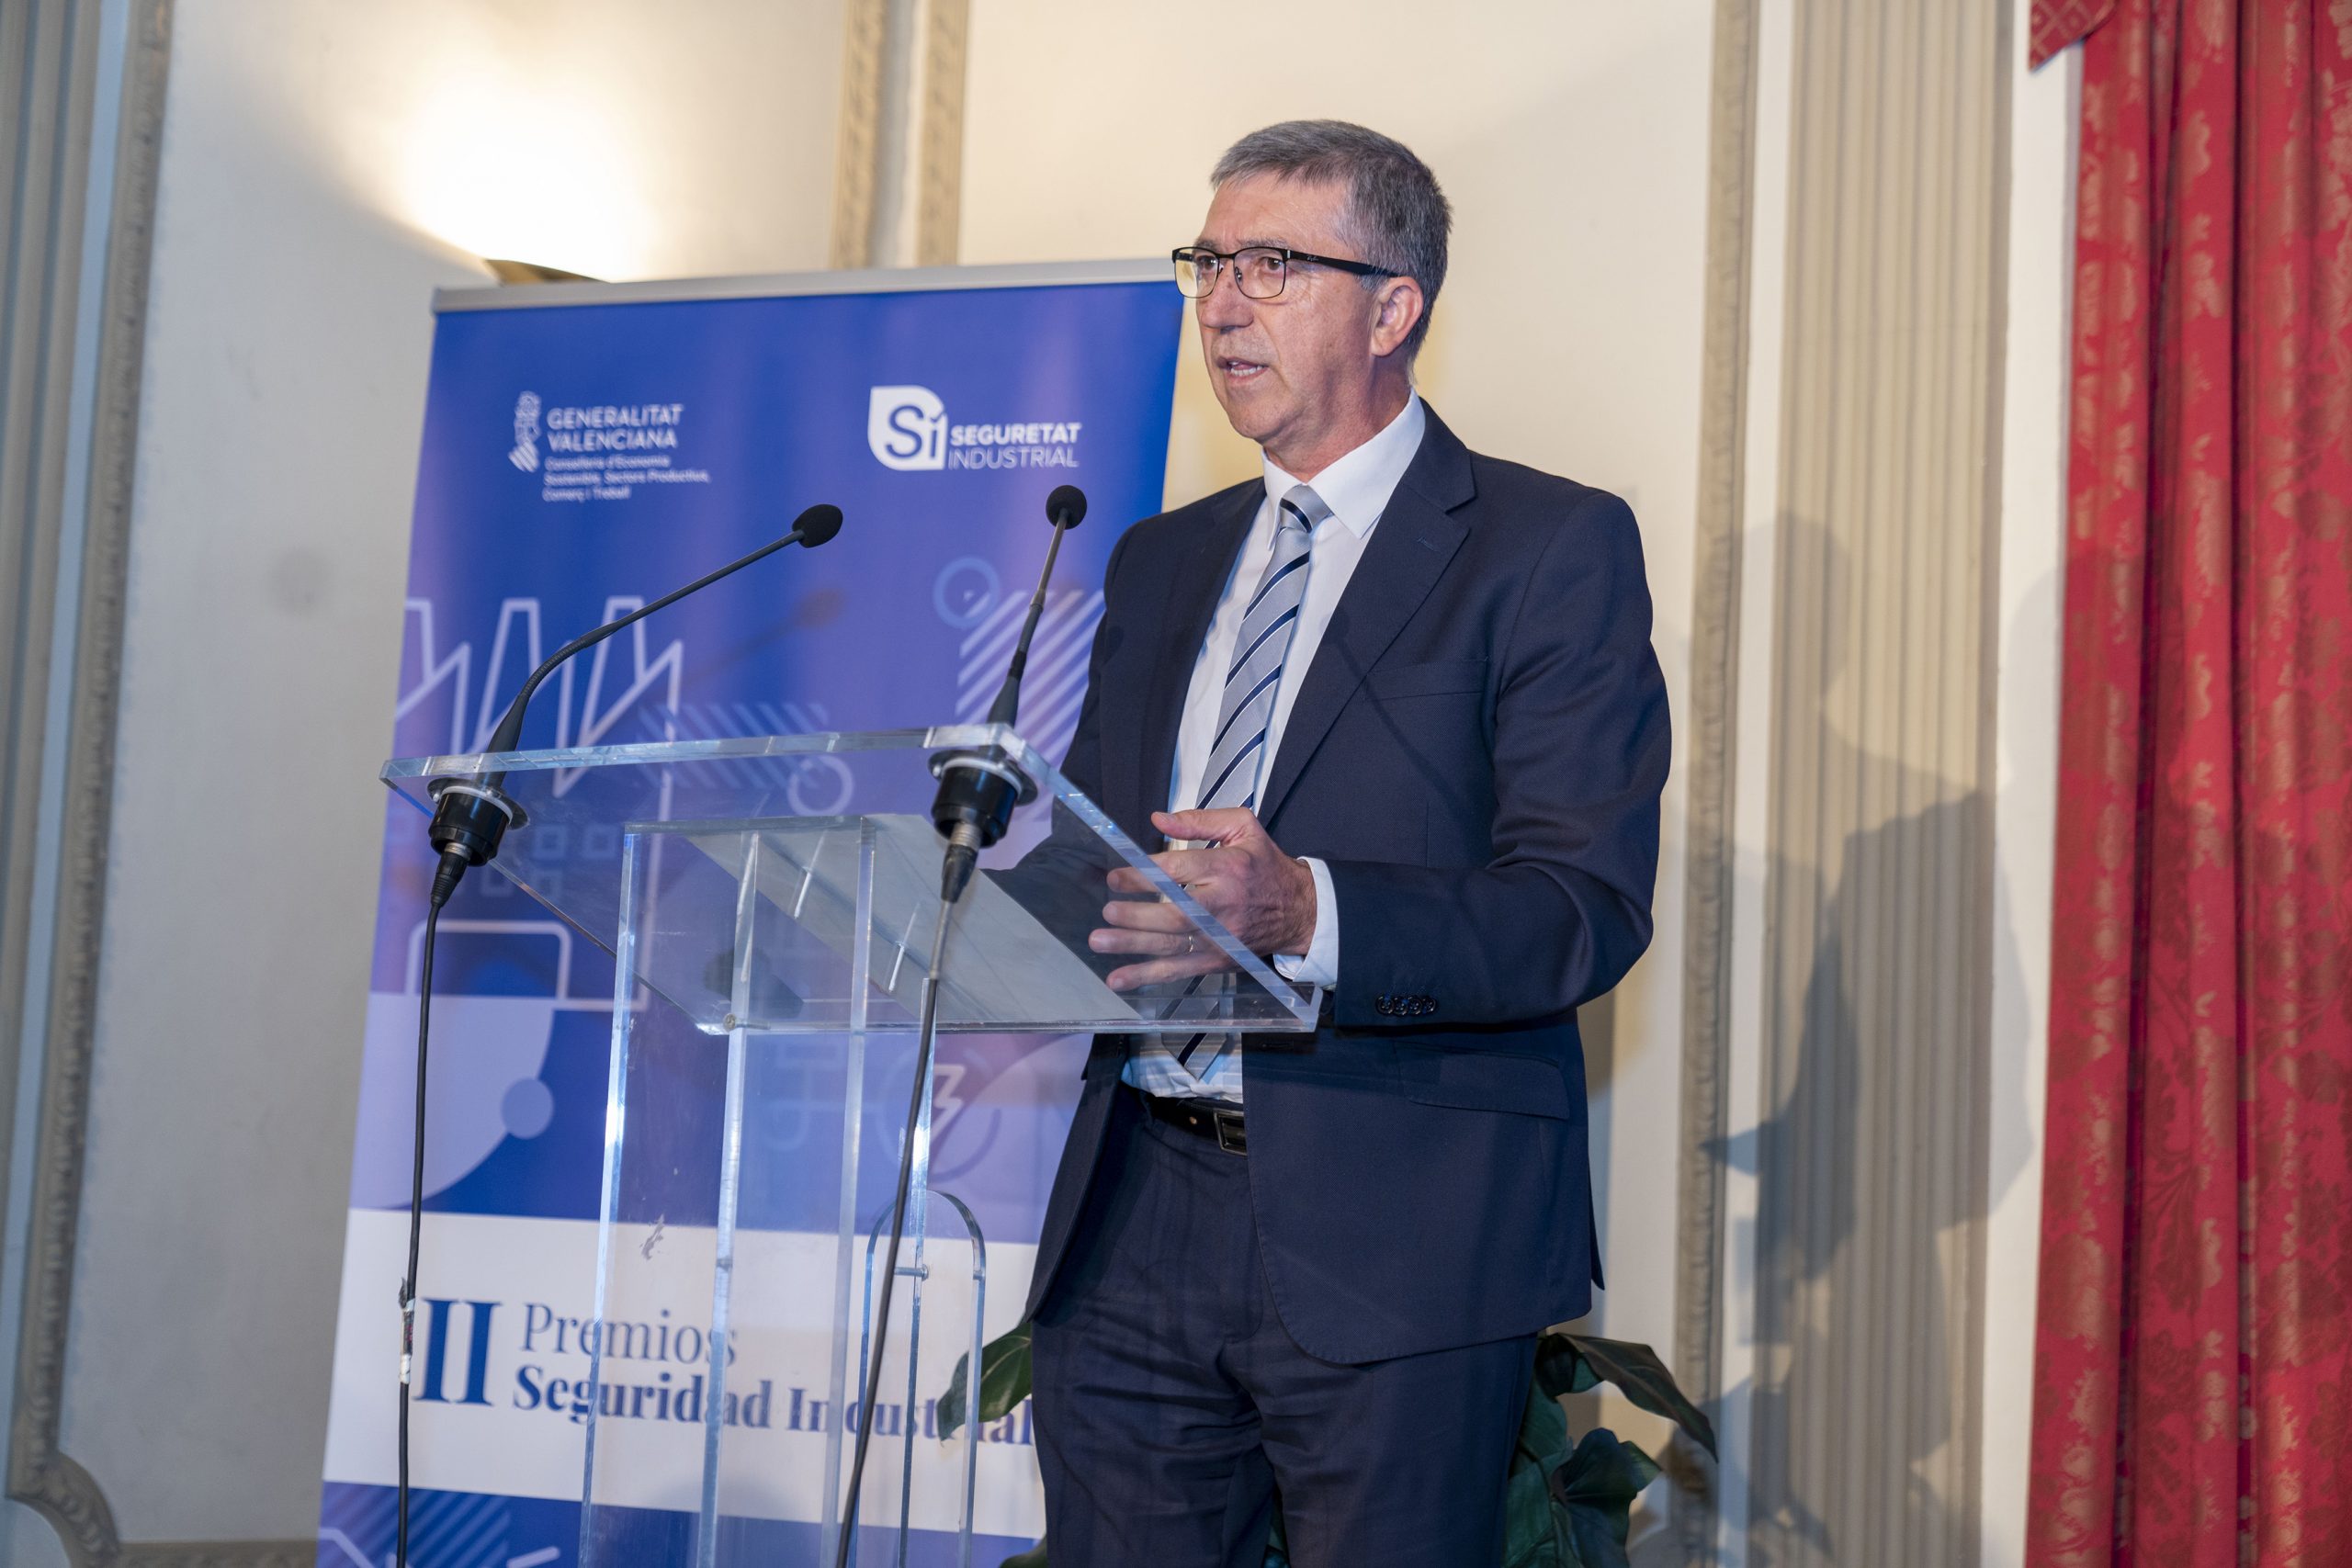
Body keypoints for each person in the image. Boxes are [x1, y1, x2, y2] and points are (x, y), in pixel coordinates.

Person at [1021, 119, 1670, 1567]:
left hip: (1401, 1238)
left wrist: (1307, 909)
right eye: (1206, 264)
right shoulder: (1160, 558)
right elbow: (1089, 847)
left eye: (1270, 265)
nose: (1220, 305)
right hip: (1134, 1213)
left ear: (1394, 309)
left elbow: (1580, 908)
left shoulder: (1545, 548)